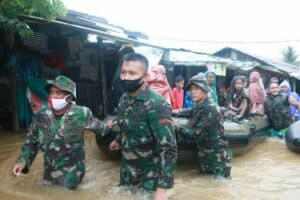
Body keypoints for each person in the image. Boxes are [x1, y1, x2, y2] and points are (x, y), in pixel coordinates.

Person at [12, 75, 112, 190]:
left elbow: (101, 130)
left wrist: (109, 126)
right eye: (51, 92)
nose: (52, 96)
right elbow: (31, 143)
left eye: (58, 93)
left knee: (65, 194)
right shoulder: (41, 116)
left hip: (73, 174)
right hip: (49, 173)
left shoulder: (81, 114)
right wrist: (22, 162)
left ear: (69, 98)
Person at [109, 53, 177, 200]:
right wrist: (118, 140)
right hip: (127, 171)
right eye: (123, 72)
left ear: (145, 77)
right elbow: (125, 124)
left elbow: (169, 149)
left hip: (149, 177)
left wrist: (162, 189)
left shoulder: (156, 105)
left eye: (132, 73)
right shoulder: (124, 98)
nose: (126, 77)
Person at [174, 75, 232, 178]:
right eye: (191, 89)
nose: (192, 92)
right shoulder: (199, 105)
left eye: (196, 89)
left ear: (205, 90)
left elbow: (194, 135)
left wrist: (176, 127)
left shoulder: (210, 109)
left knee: (220, 189)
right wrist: (174, 111)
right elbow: (190, 111)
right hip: (205, 157)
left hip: (217, 160)